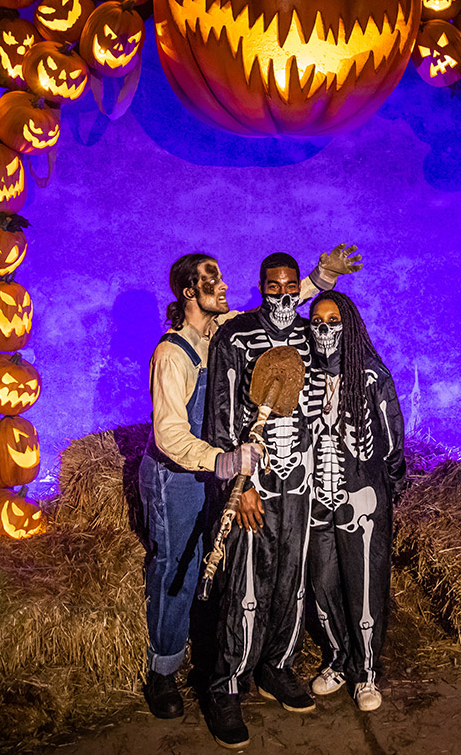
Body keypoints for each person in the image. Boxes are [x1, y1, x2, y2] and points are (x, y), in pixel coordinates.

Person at [140, 246, 360, 722]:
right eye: (211, 279)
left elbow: (280, 305)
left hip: (231, 467)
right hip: (179, 472)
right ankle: (166, 673)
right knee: (180, 567)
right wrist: (233, 476)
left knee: (257, 574)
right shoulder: (173, 353)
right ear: (188, 292)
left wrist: (321, 277)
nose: (223, 285)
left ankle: (272, 665)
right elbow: (172, 433)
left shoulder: (223, 329)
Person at [200, 252, 324, 749]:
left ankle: (278, 665)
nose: (281, 294)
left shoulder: (310, 336)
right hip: (257, 482)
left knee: (292, 578)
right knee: (247, 579)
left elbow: (317, 404)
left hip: (301, 480)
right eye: (272, 286)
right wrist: (242, 485)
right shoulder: (237, 337)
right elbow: (223, 413)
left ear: (298, 288)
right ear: (260, 286)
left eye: (290, 286)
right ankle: (226, 686)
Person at [304, 290, 405, 712]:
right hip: (314, 499)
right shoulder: (302, 373)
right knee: (322, 584)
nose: (325, 329)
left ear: (350, 325)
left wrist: (392, 488)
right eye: (318, 321)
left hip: (361, 496)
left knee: (365, 589)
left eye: (333, 320)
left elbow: (394, 440)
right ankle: (340, 660)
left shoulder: (371, 376)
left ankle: (367, 673)